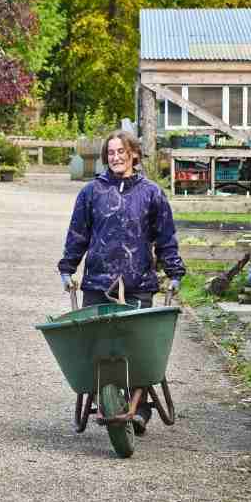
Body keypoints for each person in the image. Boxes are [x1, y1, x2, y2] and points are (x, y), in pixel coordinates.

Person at [56, 130, 186, 431]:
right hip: (98, 282)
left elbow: (165, 238)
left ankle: (139, 408)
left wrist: (175, 272)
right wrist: (67, 268)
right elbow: (78, 234)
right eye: (110, 153)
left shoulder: (151, 193)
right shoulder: (92, 192)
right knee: (97, 347)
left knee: (137, 348)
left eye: (121, 152)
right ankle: (106, 398)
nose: (115, 157)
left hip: (138, 280)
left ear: (134, 155)